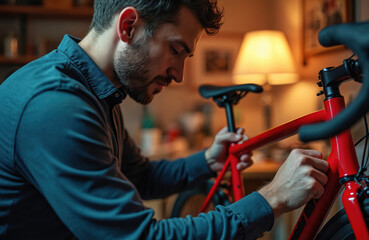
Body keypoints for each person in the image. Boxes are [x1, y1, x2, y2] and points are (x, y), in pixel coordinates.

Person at [0, 0, 329, 239]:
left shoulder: (96, 89)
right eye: (175, 49)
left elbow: (139, 176)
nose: (179, 74)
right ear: (128, 26)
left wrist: (207, 161)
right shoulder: (57, 106)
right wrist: (272, 197)